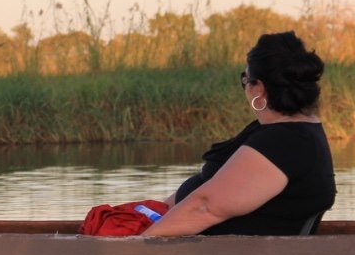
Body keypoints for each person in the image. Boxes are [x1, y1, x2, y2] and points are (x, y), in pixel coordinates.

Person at [143, 31, 335, 237]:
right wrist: (142, 216)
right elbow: (202, 190)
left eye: (245, 79)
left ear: (258, 88)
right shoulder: (275, 132)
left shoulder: (285, 143)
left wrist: (132, 248)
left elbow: (205, 207)